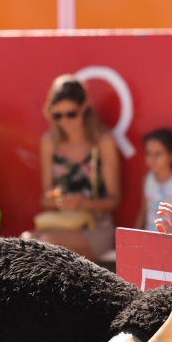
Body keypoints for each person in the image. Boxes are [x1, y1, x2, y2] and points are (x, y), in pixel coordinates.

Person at [22, 76, 121, 261]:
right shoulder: (50, 141)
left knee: (47, 243)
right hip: (62, 221)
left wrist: (84, 203)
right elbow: (45, 198)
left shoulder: (102, 141)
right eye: (58, 115)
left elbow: (114, 200)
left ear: (85, 107)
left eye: (71, 114)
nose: (65, 121)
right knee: (25, 241)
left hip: (96, 225)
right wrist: (61, 200)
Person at [135, 129, 172, 233]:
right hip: (151, 236)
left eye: (158, 154)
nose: (152, 159)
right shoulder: (147, 179)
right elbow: (143, 211)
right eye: (148, 153)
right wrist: (133, 234)